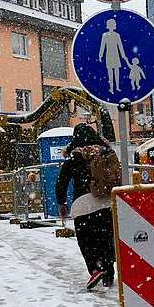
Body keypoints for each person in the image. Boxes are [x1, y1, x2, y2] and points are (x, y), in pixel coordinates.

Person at [56, 124, 120, 290]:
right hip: (106, 202)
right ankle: (108, 272)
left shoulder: (73, 157)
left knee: (86, 241)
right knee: (106, 239)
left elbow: (61, 182)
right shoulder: (106, 153)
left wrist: (61, 202)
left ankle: (95, 268)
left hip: (82, 205)